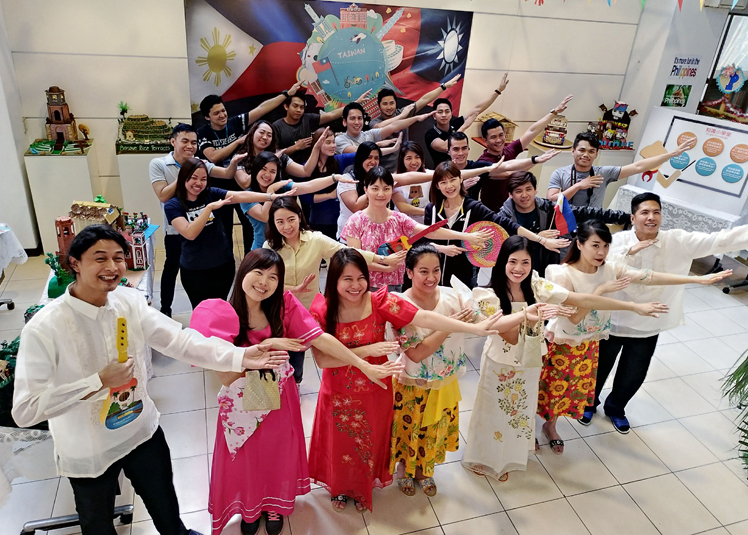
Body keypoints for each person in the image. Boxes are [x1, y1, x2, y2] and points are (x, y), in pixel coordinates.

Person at [12, 225, 289, 535]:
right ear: (74, 263)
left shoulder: (128, 301)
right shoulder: (45, 328)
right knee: (98, 526)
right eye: (100, 258)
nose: (112, 267)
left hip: (140, 431)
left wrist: (241, 356)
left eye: (119, 258)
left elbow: (180, 340)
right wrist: (97, 381)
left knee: (167, 512)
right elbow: (25, 410)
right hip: (88, 450)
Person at [190, 249, 402, 535]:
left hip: (277, 391)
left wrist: (362, 364)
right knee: (247, 455)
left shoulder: (284, 305)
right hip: (241, 397)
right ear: (243, 272)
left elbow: (320, 338)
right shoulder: (221, 313)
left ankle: (273, 504)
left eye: (273, 277)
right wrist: (269, 345)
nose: (264, 282)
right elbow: (226, 375)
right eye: (258, 273)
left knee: (276, 450)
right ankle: (251, 507)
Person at [308, 248, 504, 512]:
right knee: (340, 442)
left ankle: (362, 487)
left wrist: (473, 328)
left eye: (361, 278)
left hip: (377, 389)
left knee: (369, 443)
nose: (356, 286)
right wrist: (367, 351)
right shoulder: (322, 309)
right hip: (339, 391)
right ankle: (340, 487)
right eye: (347, 279)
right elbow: (323, 359)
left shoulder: (379, 302)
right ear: (334, 280)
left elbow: (422, 317)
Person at [461, 235, 669, 481]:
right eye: (512, 261)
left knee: (519, 411)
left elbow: (580, 299)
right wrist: (529, 315)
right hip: (500, 365)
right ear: (502, 262)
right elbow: (506, 334)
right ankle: (485, 458)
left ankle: (509, 456)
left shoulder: (536, 285)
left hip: (530, 361)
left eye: (525, 262)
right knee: (494, 412)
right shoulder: (486, 294)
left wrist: (633, 306)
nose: (519, 269)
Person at [539, 220, 731, 453]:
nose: (601, 252)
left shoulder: (609, 269)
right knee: (548, 388)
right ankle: (529, 431)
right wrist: (603, 291)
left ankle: (550, 426)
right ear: (579, 244)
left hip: (589, 343)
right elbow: (574, 319)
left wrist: (695, 279)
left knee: (568, 389)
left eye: (606, 246)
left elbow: (647, 276)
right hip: (562, 343)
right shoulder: (562, 274)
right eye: (595, 245)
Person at [586, 192, 748, 433]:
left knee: (634, 372)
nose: (651, 217)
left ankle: (616, 408)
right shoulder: (618, 241)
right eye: (644, 212)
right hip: (614, 318)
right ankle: (588, 403)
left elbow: (719, 240)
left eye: (656, 212)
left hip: (648, 322)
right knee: (599, 365)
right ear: (633, 218)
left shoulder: (677, 240)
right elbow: (600, 264)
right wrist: (630, 250)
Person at [264, 197, 403, 383]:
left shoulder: (315, 240)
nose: (287, 226)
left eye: (291, 219)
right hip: (279, 311)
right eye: (280, 222)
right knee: (281, 356)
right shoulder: (270, 247)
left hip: (307, 313)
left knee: (301, 359)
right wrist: (294, 289)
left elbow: (346, 252)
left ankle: (296, 384)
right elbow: (267, 282)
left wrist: (382, 260)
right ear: (273, 223)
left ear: (299, 216)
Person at [390, 244, 472, 497]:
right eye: (423, 271)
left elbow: (479, 318)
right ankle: (404, 468)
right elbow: (415, 353)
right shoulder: (399, 305)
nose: (431, 277)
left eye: (436, 270)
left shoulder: (452, 297)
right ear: (409, 272)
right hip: (412, 381)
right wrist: (449, 325)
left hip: (445, 380)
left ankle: (424, 470)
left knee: (434, 429)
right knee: (409, 428)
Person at [163, 158, 295, 308]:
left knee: (222, 308)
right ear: (183, 177)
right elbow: (190, 233)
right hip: (194, 268)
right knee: (202, 310)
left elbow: (240, 196)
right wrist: (208, 208)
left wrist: (270, 196)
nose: (198, 183)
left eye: (203, 179)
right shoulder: (173, 205)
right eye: (193, 177)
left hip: (223, 264)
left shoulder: (211, 193)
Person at [341, 166, 495, 292]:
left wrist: (466, 236)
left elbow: (429, 231)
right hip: (364, 287)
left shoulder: (399, 219)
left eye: (386, 188)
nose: (381, 194)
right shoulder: (356, 221)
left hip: (396, 288)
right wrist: (386, 267)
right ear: (366, 189)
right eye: (375, 188)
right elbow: (356, 259)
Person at [424, 161, 569, 288]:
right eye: (443, 182)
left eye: (452, 180)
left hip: (463, 274)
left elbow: (508, 225)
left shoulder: (474, 207)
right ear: (437, 186)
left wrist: (541, 240)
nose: (449, 186)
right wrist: (441, 248)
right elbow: (423, 241)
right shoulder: (432, 209)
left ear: (461, 179)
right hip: (431, 272)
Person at [149, 123, 243, 316]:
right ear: (173, 141)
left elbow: (227, 174)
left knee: (202, 270)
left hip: (201, 228)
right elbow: (163, 195)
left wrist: (234, 163)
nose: (190, 146)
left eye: (194, 142)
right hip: (176, 228)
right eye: (185, 141)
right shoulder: (159, 164)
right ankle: (165, 310)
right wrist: (187, 173)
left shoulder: (200, 163)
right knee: (171, 268)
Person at [197, 86, 302, 253]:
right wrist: (238, 142)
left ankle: (251, 257)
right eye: (216, 113)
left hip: (243, 185)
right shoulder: (202, 133)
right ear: (207, 117)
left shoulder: (235, 122)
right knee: (224, 228)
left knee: (250, 226)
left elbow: (261, 109)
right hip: (220, 187)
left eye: (223, 110)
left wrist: (286, 94)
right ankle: (228, 263)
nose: (222, 115)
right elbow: (213, 156)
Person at [498, 171, 629, 275]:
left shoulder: (551, 209)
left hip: (545, 268)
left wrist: (626, 217)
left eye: (528, 189)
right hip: (515, 271)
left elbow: (586, 212)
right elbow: (500, 244)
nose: (524, 195)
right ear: (510, 194)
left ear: (535, 190)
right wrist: (537, 237)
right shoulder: (503, 217)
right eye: (518, 191)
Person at [239, 151, 355, 250]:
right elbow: (265, 217)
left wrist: (334, 177)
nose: (267, 175)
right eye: (263, 169)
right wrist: (271, 191)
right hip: (262, 249)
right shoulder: (247, 196)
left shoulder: (282, 186)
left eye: (273, 171)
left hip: (287, 247)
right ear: (255, 169)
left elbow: (308, 186)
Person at [547, 132, 696, 208]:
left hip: (592, 226)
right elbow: (552, 199)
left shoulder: (603, 173)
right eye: (582, 150)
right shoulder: (560, 173)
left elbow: (638, 166)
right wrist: (578, 186)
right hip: (565, 224)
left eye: (591, 151)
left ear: (596, 154)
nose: (586, 155)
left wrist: (671, 154)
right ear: (573, 151)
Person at [476, 93, 572, 210]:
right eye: (493, 137)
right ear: (485, 141)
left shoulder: (509, 150)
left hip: (514, 209)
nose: (499, 140)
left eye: (501, 135)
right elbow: (509, 173)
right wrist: (536, 160)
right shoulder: (482, 162)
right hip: (492, 213)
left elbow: (532, 131)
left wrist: (554, 112)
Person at [370, 75, 461, 171]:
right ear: (379, 105)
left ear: (396, 103)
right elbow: (378, 127)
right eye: (385, 104)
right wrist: (401, 117)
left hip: (406, 168)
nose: (389, 107)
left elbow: (424, 100)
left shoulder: (404, 112)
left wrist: (444, 86)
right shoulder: (375, 122)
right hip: (384, 170)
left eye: (391, 103)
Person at [446, 131, 558, 203]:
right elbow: (438, 200)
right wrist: (460, 189)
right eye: (456, 149)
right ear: (448, 151)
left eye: (464, 148)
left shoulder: (477, 167)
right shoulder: (442, 170)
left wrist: (534, 159)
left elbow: (507, 165)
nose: (461, 153)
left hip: (470, 215)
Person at [424, 73, 509, 166]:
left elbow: (477, 108)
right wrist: (464, 126)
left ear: (451, 114)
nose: (444, 115)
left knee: (487, 166)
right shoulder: (431, 134)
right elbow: (445, 147)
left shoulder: (454, 124)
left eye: (447, 111)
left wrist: (498, 91)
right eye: (440, 112)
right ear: (434, 116)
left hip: (462, 167)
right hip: (443, 171)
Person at [272, 90, 371, 164]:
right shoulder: (276, 126)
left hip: (309, 165)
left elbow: (331, 115)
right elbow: (273, 154)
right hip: (287, 169)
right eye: (295, 106)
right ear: (286, 106)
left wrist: (356, 103)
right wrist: (295, 147)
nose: (299, 110)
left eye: (302, 107)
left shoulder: (307, 119)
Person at [235, 120, 322, 184]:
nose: (265, 137)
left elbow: (305, 171)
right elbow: (245, 184)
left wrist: (316, 148)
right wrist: (268, 161)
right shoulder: (239, 157)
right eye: (261, 132)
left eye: (269, 135)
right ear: (252, 133)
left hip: (276, 197)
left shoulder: (278, 155)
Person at [334, 101, 433, 154]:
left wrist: (416, 118)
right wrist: (379, 144)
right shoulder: (339, 140)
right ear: (344, 122)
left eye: (359, 118)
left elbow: (393, 126)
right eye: (352, 118)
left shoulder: (369, 134)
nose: (357, 122)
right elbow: (360, 152)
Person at [392, 141, 430, 224]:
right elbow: (402, 207)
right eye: (409, 158)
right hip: (403, 224)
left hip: (425, 223)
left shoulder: (429, 174)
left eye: (417, 157)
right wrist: (430, 212)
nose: (414, 162)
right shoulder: (395, 179)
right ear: (402, 160)